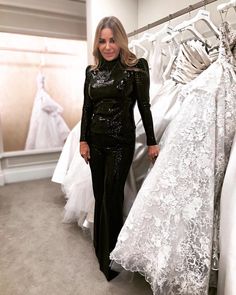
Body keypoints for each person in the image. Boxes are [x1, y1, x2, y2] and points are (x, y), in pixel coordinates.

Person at [79, 16, 159, 281]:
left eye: (112, 40)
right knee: (99, 196)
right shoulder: (92, 72)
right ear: (97, 44)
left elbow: (145, 106)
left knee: (113, 198)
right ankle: (100, 248)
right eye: (102, 41)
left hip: (120, 144)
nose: (107, 46)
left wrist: (151, 141)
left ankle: (112, 257)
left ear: (121, 40)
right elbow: (87, 108)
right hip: (95, 144)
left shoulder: (136, 68)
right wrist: (83, 140)